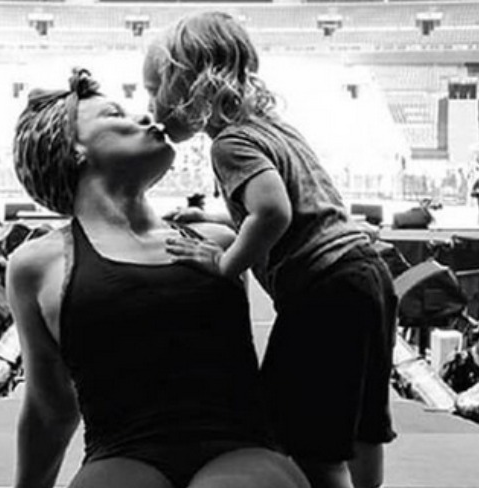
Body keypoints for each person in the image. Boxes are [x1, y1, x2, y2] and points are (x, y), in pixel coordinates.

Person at [9, 69, 309, 488]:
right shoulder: (37, 265)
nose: (147, 118)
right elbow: (50, 407)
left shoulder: (219, 241)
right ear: (73, 148)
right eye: (115, 115)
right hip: (121, 454)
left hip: (241, 447)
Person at [144, 12, 397, 488]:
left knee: (309, 440)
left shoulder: (229, 145)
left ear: (187, 85)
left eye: (153, 88)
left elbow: (274, 212)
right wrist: (215, 217)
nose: (150, 104)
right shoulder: (271, 127)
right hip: (366, 274)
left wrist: (224, 263)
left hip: (323, 288)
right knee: (362, 421)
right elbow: (297, 206)